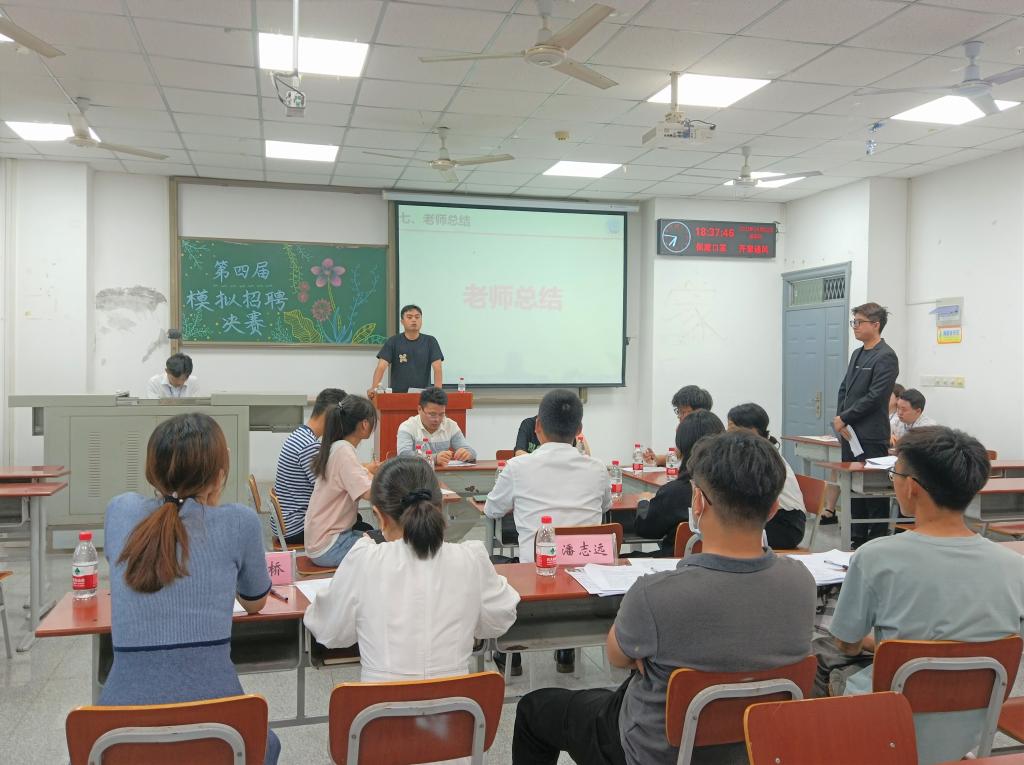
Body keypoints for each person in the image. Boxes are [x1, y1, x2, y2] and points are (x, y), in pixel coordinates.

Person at [512, 431, 817, 765]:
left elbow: (617, 655)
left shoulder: (656, 594)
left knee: (534, 710)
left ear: (698, 502)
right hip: (754, 749)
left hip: (654, 752)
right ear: (774, 509)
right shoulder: (802, 583)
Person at [815, 426, 1024, 765]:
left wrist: (886, 646)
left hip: (887, 724)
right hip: (971, 727)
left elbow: (846, 643)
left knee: (820, 658)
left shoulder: (875, 557)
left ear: (911, 487)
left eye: (894, 474)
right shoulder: (1016, 568)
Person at [100, 413, 279, 764]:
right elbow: (255, 602)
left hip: (119, 730)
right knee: (264, 744)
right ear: (219, 475)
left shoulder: (120, 510)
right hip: (219, 726)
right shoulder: (239, 521)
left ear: (152, 469)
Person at [304, 456, 520, 684]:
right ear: (441, 508)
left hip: (381, 704)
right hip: (459, 705)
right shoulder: (471, 558)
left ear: (379, 516)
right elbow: (499, 619)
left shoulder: (365, 559)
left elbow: (330, 632)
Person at [485, 388, 611, 674]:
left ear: (538, 426)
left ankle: (510, 656)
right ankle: (567, 652)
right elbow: (606, 506)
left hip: (537, 578)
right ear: (579, 430)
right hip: (591, 580)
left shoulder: (517, 467)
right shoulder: (597, 468)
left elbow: (492, 510)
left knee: (495, 563)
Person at [833, 302, 899, 547]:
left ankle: (876, 539)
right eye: (854, 322)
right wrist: (840, 419)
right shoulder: (857, 353)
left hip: (871, 434)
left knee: (873, 489)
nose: (855, 327)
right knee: (852, 487)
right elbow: (844, 389)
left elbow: (876, 396)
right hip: (850, 432)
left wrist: (846, 417)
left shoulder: (886, 356)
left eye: (859, 322)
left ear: (876, 324)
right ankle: (857, 537)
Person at [632, 409, 724, 556]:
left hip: (675, 562)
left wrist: (644, 502)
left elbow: (645, 529)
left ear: (682, 445)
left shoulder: (676, 492)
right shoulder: (732, 489)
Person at [304, 395, 379, 567]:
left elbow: (361, 476)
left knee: (378, 536)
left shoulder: (337, 447)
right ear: (364, 424)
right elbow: (369, 493)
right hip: (330, 545)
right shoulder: (343, 451)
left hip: (323, 539)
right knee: (387, 547)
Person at [271, 387, 347, 544]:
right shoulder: (309, 446)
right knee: (358, 524)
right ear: (330, 415)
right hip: (296, 526)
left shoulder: (300, 435)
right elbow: (328, 489)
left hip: (286, 522)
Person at [727, 403, 807, 550]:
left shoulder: (761, 454)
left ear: (752, 430)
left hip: (786, 525)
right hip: (768, 515)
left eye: (732, 429)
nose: (727, 434)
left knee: (724, 530)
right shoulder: (757, 449)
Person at [368, 304, 443, 396]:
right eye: (409, 317)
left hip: (424, 396)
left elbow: (437, 368)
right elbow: (381, 367)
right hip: (397, 395)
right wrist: (374, 388)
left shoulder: (430, 341)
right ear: (402, 321)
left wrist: (438, 392)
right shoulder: (393, 341)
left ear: (421, 320)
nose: (414, 320)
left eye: (417, 317)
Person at [396, 387, 476, 466]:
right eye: (432, 414)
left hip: (443, 473)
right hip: (416, 473)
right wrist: (434, 458)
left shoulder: (450, 425)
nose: (437, 420)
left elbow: (471, 452)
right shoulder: (407, 427)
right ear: (419, 409)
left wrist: (467, 454)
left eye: (441, 414)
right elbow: (404, 455)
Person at [642, 385, 713, 466]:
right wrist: (656, 459)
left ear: (699, 412)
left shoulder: (711, 431)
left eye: (683, 412)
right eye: (678, 411)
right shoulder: (685, 430)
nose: (679, 416)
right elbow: (677, 454)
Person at [514, 415, 589, 456]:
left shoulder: (561, 425)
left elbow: (586, 455)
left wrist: (576, 431)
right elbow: (519, 453)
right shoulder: (528, 424)